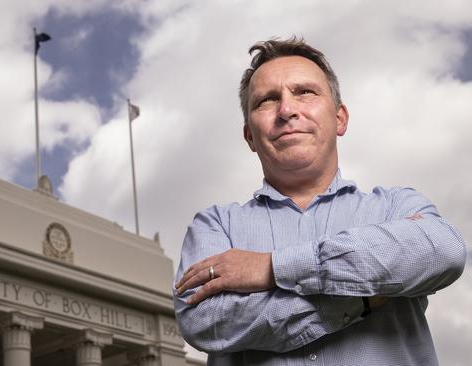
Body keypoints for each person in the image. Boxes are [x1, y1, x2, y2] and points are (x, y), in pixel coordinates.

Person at [173, 36, 467, 365]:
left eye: (305, 92)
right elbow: (206, 322)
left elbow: (444, 252)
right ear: (249, 137)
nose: (286, 110)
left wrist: (273, 267)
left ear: (339, 118)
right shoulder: (214, 226)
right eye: (267, 100)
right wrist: (362, 300)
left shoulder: (397, 206)